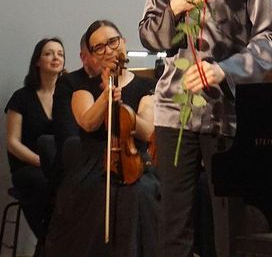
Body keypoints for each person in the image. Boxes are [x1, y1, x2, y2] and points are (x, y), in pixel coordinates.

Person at [139, 0, 272, 257]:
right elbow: (149, 36)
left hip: (227, 110)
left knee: (229, 225)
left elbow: (269, 37)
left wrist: (223, 70)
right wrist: (176, 6)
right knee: (173, 226)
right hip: (174, 109)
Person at [45, 20, 159, 256]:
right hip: (94, 164)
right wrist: (106, 95)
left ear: (123, 42)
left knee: (140, 193)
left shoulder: (146, 85)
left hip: (135, 161)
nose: (108, 50)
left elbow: (147, 130)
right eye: (99, 47)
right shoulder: (81, 84)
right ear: (92, 55)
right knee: (96, 195)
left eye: (112, 42)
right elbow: (88, 122)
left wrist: (123, 108)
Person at [4, 37, 65, 245]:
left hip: (57, 168)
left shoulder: (68, 96)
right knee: (45, 185)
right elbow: (12, 143)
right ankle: (48, 242)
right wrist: (41, 161)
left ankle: (63, 242)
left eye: (60, 54)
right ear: (37, 61)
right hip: (28, 167)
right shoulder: (21, 98)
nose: (56, 57)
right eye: (49, 53)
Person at [51, 33, 101, 183]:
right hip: (81, 163)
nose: (108, 54)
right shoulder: (69, 83)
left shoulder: (123, 81)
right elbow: (68, 133)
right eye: (98, 50)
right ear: (84, 57)